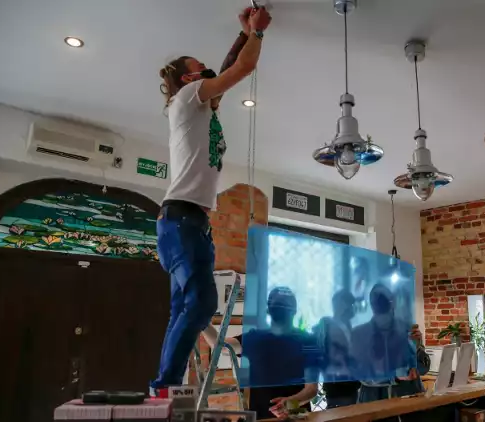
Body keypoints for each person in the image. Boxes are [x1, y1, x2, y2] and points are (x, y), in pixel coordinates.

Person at [150, 7, 272, 396]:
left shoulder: (199, 103)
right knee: (200, 305)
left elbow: (222, 71)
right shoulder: (188, 97)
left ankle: (165, 386)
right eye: (200, 68)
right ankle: (165, 387)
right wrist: (257, 35)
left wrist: (240, 36)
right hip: (181, 219)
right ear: (189, 78)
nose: (207, 72)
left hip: (190, 223)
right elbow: (240, 71)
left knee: (186, 308)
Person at [203, 287, 320, 420]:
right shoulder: (256, 338)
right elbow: (220, 346)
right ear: (269, 310)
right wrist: (200, 319)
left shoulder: (308, 341)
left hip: (297, 417)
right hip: (261, 417)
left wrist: (290, 404)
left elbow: (311, 389)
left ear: (294, 310)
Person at [351, 284, 424, 405]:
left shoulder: (406, 328)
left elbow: (422, 368)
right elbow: (361, 373)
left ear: (393, 302)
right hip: (375, 401)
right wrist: (393, 377)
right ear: (372, 305)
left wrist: (417, 347)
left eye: (387, 300)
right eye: (378, 301)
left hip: (410, 399)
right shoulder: (360, 334)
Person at [312, 289, 362, 409]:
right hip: (335, 383)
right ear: (340, 304)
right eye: (350, 303)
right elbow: (319, 352)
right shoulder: (326, 325)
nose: (353, 308)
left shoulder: (349, 327)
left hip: (352, 383)